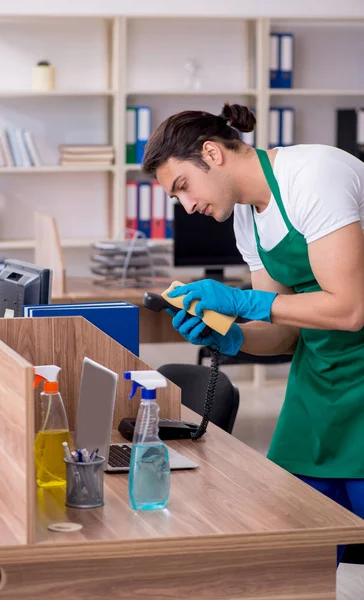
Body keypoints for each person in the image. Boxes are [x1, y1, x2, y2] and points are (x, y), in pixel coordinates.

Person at [142, 103, 364, 565]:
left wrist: (241, 302)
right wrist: (233, 338)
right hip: (320, 383)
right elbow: (283, 334)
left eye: (183, 186)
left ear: (212, 153)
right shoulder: (248, 215)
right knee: (288, 554)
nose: (188, 205)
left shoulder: (313, 175)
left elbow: (349, 309)